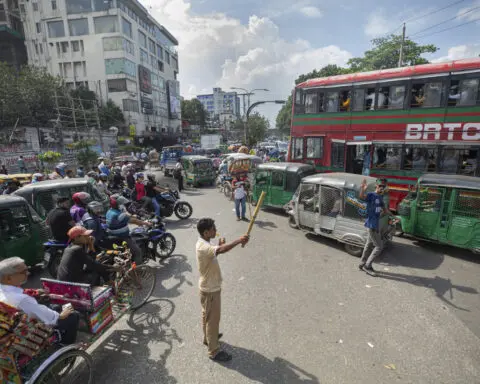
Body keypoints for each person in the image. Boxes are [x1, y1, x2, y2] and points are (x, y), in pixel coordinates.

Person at [195, 218, 249, 362]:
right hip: (210, 289)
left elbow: (218, 251)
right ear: (206, 232)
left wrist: (220, 247)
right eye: (213, 229)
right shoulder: (203, 246)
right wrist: (239, 240)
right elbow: (221, 250)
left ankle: (208, 338)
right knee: (213, 321)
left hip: (207, 287)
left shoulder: (204, 243)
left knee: (207, 315)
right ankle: (213, 351)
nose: (215, 230)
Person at [0, 257, 79, 344]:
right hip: (29, 332)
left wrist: (36, 292)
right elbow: (46, 315)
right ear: (8, 278)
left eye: (27, 269)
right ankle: (66, 347)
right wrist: (61, 315)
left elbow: (21, 293)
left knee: (55, 306)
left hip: (14, 326)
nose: (28, 273)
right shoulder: (22, 299)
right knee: (73, 315)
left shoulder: (4, 289)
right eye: (24, 272)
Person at [358, 178, 393, 277]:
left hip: (375, 224)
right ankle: (367, 266)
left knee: (369, 244)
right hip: (371, 225)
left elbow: (385, 210)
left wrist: (394, 217)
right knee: (379, 246)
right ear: (376, 187)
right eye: (380, 186)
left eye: (383, 186)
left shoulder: (380, 197)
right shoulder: (372, 195)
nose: (381, 188)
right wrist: (363, 188)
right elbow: (361, 196)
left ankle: (362, 263)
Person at [106, 194, 151, 264]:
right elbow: (134, 221)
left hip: (112, 234)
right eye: (121, 204)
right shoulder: (120, 215)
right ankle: (137, 269)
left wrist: (132, 216)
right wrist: (146, 223)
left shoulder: (109, 211)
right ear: (118, 205)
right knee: (138, 252)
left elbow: (126, 215)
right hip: (122, 237)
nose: (122, 205)